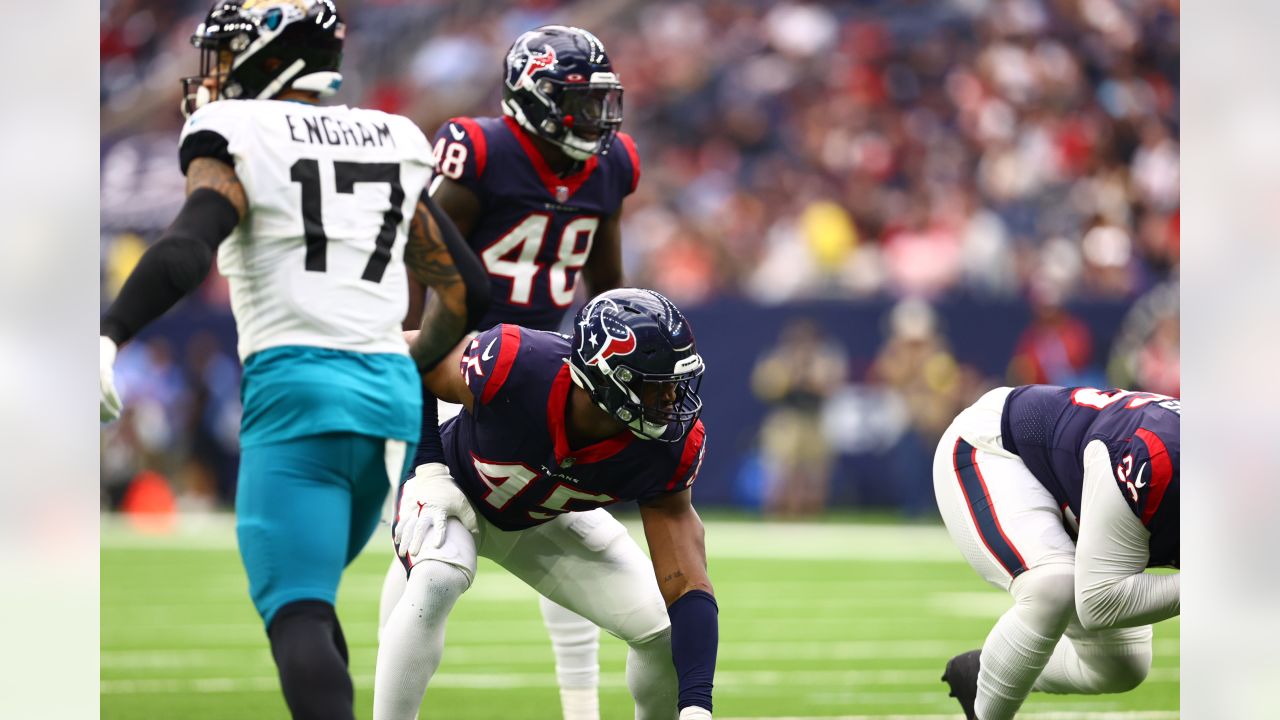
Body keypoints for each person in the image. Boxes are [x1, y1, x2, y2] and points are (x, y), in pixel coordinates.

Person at [97, 2, 489, 718]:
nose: (216, 69)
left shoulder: (239, 130)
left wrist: (111, 331)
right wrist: (410, 356)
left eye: (232, 51)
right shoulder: (392, 134)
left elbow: (190, 245)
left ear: (273, 55)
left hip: (297, 390)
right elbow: (467, 288)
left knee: (296, 612)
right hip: (387, 409)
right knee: (312, 601)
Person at [377, 25, 638, 720]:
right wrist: (407, 351)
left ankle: (580, 707)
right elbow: (420, 247)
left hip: (541, 366)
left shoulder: (610, 167)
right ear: (534, 99)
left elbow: (606, 290)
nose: (597, 121)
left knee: (568, 511)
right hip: (455, 365)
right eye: (580, 104)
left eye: (601, 103)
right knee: (430, 547)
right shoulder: (483, 150)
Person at [374, 289, 717, 720]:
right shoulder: (514, 364)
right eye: (657, 386)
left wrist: (697, 707)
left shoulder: (667, 447)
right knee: (438, 575)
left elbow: (686, 584)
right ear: (606, 380)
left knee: (662, 634)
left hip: (538, 517)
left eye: (676, 383)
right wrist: (427, 469)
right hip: (456, 490)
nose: (671, 401)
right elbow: (409, 352)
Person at [933, 385, 1180, 720]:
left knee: (1122, 665)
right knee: (1053, 586)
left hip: (1083, 490)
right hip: (999, 451)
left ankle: (987, 673)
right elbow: (1099, 601)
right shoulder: (1158, 459)